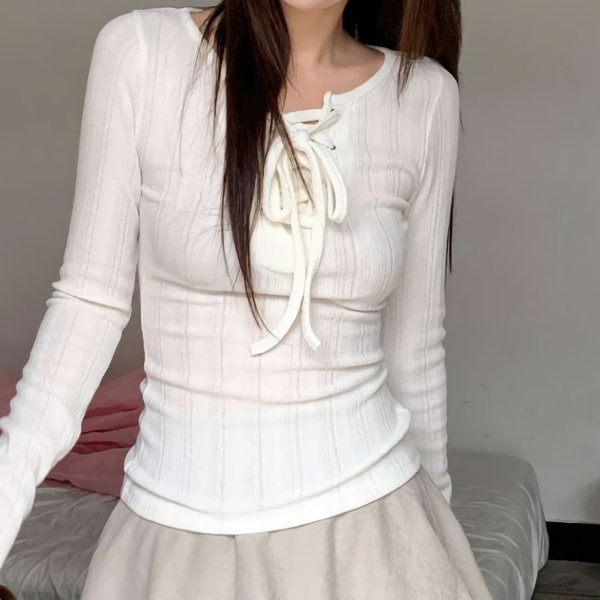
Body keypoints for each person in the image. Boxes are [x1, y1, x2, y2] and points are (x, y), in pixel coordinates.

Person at [0, 2, 493, 599]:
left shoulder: (424, 95)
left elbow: (415, 347)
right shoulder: (142, 51)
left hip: (377, 530)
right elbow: (88, 302)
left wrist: (439, 541)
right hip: (173, 529)